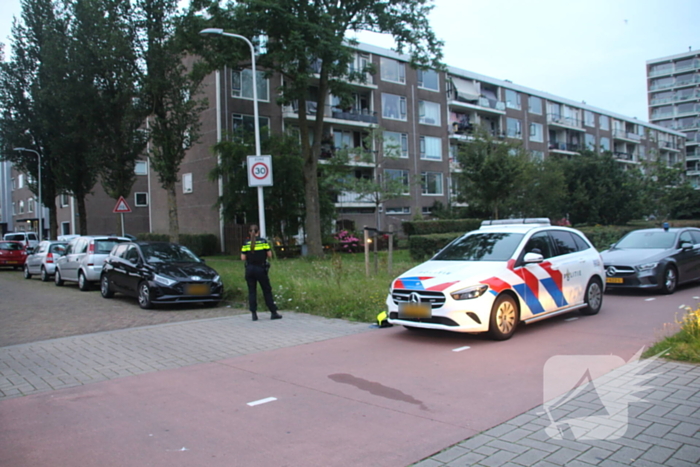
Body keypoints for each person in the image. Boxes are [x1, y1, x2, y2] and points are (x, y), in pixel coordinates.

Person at [241, 225, 282, 321]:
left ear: (249, 232)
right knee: (266, 290)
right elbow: (269, 255)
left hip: (250, 269)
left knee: (252, 291)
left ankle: (254, 314)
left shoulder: (246, 243)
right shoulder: (263, 242)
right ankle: (273, 312)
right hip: (261, 268)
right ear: (258, 232)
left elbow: (243, 258)